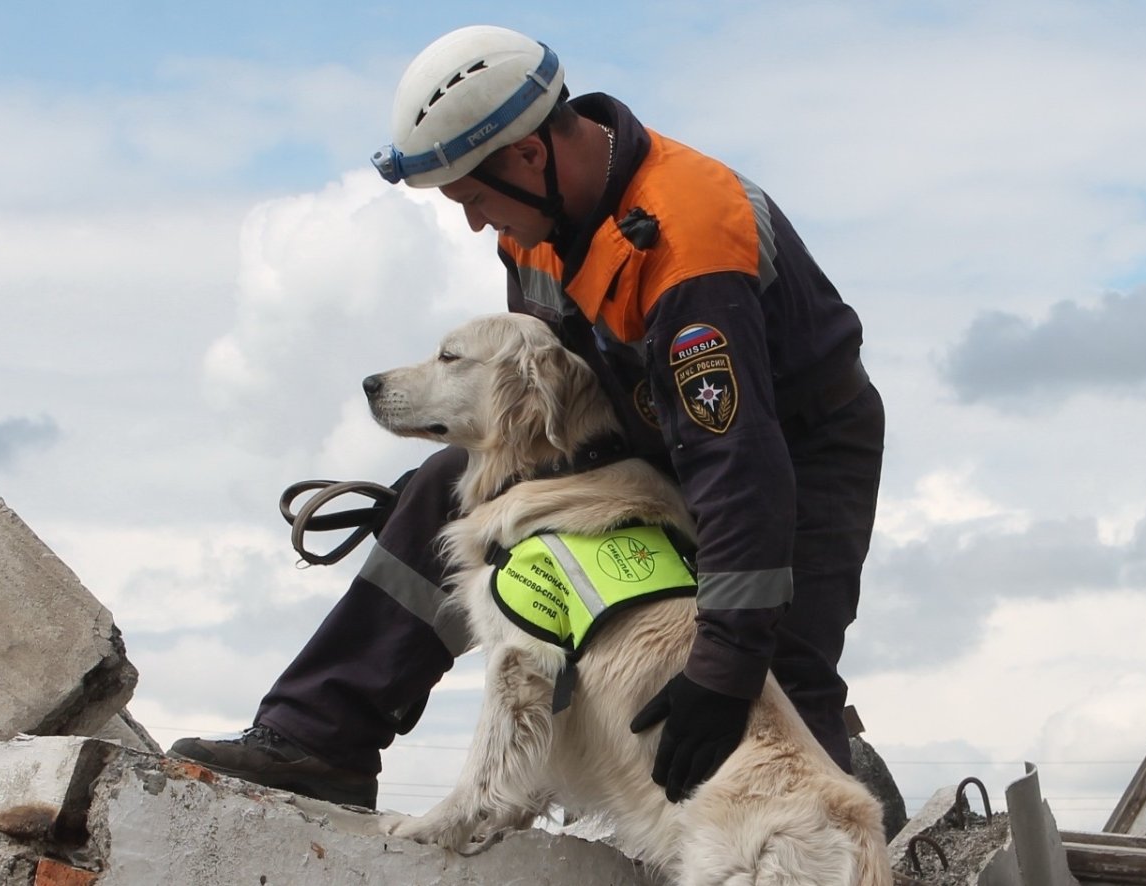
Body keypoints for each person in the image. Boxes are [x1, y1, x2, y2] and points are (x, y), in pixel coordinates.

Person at [170, 24, 885, 810]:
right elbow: (543, 419)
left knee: (772, 674)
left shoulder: (688, 238)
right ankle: (320, 736)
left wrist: (722, 671)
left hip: (793, 444)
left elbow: (739, 470)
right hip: (645, 434)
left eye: (473, 198)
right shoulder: (534, 234)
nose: (477, 224)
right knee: (448, 483)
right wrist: (477, 492)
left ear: (530, 155)